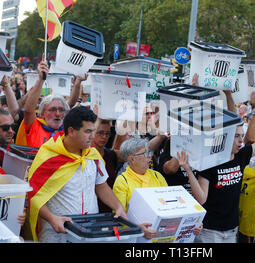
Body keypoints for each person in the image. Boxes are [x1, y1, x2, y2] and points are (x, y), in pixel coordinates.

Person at [179, 99, 255, 243]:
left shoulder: (241, 156)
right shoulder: (209, 161)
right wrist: (188, 171)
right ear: (224, 137)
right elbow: (201, 198)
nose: (241, 141)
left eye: (241, 136)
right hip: (209, 230)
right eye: (236, 136)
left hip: (232, 228)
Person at [27, 106, 126, 242]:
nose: (92, 136)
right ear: (71, 131)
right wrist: (52, 218)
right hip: (58, 233)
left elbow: (101, 186)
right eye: (88, 132)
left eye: (93, 131)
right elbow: (34, 195)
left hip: (89, 231)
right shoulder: (49, 157)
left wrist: (118, 207)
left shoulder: (93, 155)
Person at [16, 60, 85, 148]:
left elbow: (71, 103)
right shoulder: (35, 125)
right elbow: (28, 110)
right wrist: (41, 79)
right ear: (42, 113)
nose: (57, 114)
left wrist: (78, 82)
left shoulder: (68, 130)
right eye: (52, 110)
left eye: (61, 110)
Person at [112, 137, 168, 240]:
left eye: (149, 152)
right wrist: (138, 228)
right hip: (134, 236)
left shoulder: (157, 176)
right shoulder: (122, 181)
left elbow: (170, 205)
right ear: (132, 159)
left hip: (159, 233)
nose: (150, 156)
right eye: (145, 154)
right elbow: (119, 216)